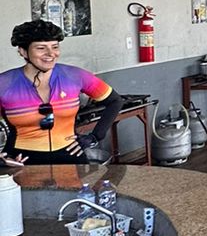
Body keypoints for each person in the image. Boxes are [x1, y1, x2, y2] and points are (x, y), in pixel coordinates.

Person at [0, 19, 123, 166]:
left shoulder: (75, 75)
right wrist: (1, 159)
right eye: (41, 48)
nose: (51, 54)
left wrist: (95, 136)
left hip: (71, 156)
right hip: (21, 161)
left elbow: (115, 101)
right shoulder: (4, 83)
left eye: (55, 47)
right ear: (23, 51)